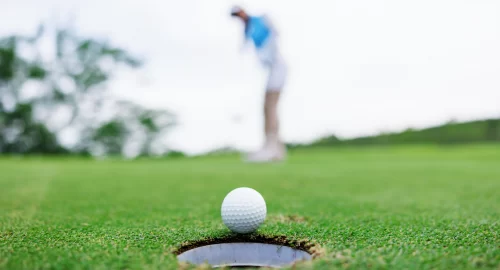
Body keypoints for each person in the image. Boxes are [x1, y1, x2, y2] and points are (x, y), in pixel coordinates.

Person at [230, 6, 288, 162]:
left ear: (243, 11)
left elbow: (275, 33)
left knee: (270, 107)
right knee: (267, 108)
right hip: (271, 70)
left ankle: (272, 149)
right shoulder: (247, 30)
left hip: (278, 68)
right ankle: (275, 149)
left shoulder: (261, 19)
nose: (239, 18)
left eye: (238, 15)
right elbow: (244, 48)